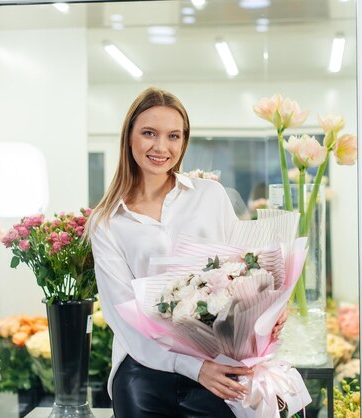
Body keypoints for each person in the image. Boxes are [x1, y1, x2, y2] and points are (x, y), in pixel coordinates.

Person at [88, 87, 287, 418]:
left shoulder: (210, 196)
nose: (161, 147)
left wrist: (272, 309)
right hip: (144, 371)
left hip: (218, 364)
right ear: (129, 137)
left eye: (173, 136)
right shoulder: (107, 221)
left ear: (184, 141)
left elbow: (247, 272)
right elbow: (124, 318)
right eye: (149, 133)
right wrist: (194, 368)